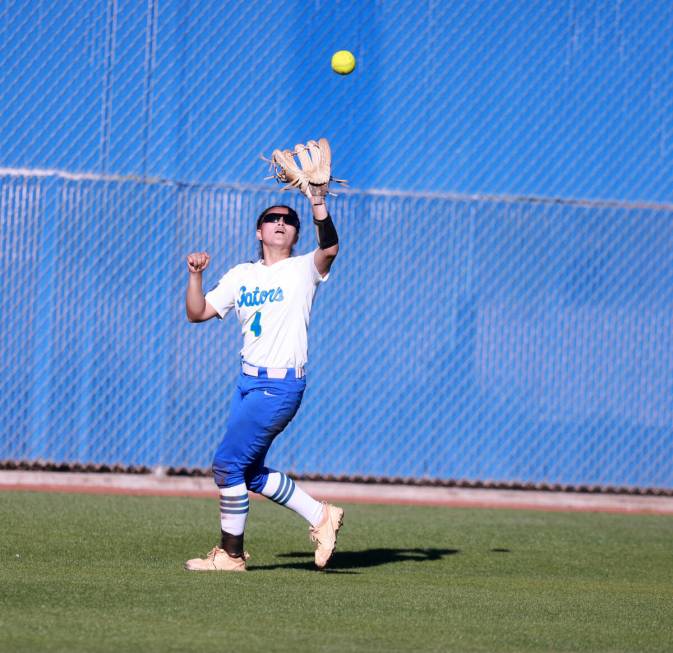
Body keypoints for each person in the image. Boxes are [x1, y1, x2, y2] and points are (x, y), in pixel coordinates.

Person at [183, 190, 343, 572]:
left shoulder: (304, 268)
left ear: (295, 234)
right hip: (247, 382)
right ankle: (321, 515)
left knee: (226, 465)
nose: (280, 222)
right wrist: (195, 276)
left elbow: (331, 247)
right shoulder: (243, 275)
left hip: (279, 386)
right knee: (249, 472)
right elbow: (197, 312)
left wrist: (318, 204)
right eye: (272, 218)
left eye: (288, 220)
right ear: (259, 230)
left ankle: (232, 555)